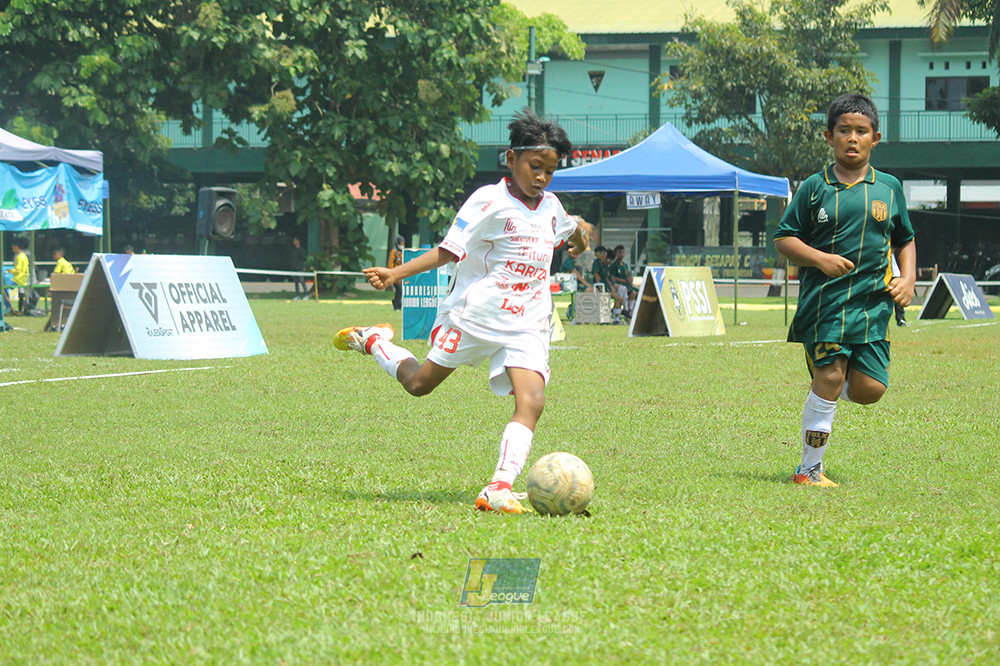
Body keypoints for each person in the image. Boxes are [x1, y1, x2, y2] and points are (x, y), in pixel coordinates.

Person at [334, 108, 591, 514]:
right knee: (419, 384)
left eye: (550, 171)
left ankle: (499, 487)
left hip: (526, 322)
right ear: (512, 160)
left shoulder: (551, 206)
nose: (541, 177)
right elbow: (447, 251)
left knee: (533, 401)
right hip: (475, 316)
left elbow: (570, 223)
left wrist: (580, 238)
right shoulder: (488, 201)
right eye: (535, 166)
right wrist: (395, 273)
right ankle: (375, 342)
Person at [773, 92, 916, 488]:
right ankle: (808, 470)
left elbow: (905, 239)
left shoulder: (888, 188)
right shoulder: (814, 188)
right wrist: (819, 258)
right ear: (828, 136)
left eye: (861, 131)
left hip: (872, 307)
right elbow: (784, 239)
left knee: (871, 390)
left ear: (876, 137)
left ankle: (825, 389)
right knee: (833, 377)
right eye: (843, 130)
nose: (852, 138)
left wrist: (907, 278)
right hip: (824, 306)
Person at [592, 245, 625, 324]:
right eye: (601, 253)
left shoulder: (604, 264)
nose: (603, 255)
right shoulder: (596, 263)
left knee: (620, 298)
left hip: (606, 287)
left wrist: (611, 286)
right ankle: (616, 318)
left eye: (604, 253)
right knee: (618, 298)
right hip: (601, 288)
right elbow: (597, 276)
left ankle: (615, 315)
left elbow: (606, 277)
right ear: (596, 254)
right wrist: (601, 289)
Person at [609, 244, 638, 317]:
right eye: (619, 252)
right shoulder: (614, 265)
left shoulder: (625, 265)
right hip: (619, 284)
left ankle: (631, 310)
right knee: (628, 291)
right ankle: (626, 310)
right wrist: (624, 281)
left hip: (626, 284)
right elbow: (613, 277)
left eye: (623, 252)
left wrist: (629, 280)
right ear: (616, 254)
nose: (621, 254)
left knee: (636, 292)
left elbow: (627, 275)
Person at [387, 235, 405, 311]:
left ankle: (396, 304)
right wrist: (391, 274)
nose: (402, 245)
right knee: (399, 291)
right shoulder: (394, 252)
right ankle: (397, 305)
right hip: (396, 276)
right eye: (401, 243)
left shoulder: (404, 252)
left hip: (402, 276)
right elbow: (390, 263)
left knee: (399, 292)